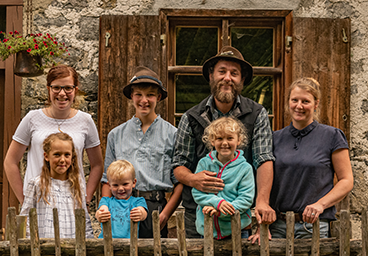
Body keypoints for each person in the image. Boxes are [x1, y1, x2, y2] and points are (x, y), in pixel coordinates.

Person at [172, 46, 276, 238]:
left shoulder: (257, 114)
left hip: (237, 215)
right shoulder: (191, 117)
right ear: (211, 76)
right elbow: (179, 164)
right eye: (222, 71)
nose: (227, 78)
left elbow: (263, 159)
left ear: (241, 80)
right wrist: (193, 179)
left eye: (234, 73)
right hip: (199, 216)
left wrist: (262, 201)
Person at [249, 77, 354, 243]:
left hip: (313, 226)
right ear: (288, 102)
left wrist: (320, 204)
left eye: (305, 101)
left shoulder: (332, 136)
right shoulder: (274, 138)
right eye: (294, 100)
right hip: (276, 226)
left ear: (316, 104)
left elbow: (347, 181)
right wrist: (263, 225)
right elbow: (262, 179)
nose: (299, 106)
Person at [4, 65, 103, 207]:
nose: (62, 93)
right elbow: (10, 161)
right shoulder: (32, 118)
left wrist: (86, 197)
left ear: (75, 90)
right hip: (38, 200)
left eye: (68, 88)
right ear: (48, 89)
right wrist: (24, 198)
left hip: (72, 202)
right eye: (56, 87)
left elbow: (98, 164)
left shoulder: (85, 121)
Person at [101, 66, 183, 238]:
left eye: (150, 95)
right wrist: (106, 207)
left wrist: (165, 214)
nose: (144, 100)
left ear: (158, 97)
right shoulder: (116, 135)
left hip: (154, 206)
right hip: (120, 208)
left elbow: (179, 182)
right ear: (131, 96)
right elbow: (106, 180)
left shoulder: (172, 134)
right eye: (138, 94)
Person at [19, 133, 94, 238]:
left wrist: (89, 241)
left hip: (72, 247)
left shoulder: (77, 185)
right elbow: (26, 218)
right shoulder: (37, 184)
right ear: (46, 156)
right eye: (57, 154)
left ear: (72, 157)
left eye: (67, 155)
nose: (62, 160)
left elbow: (84, 218)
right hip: (44, 247)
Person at [192, 117, 255, 239]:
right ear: (212, 141)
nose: (225, 143)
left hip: (237, 229)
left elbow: (246, 198)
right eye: (219, 138)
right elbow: (197, 192)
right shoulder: (204, 164)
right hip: (207, 229)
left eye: (230, 138)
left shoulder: (245, 168)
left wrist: (221, 211)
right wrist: (217, 203)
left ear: (238, 140)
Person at [96, 160, 148, 238]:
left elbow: (143, 212)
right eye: (115, 185)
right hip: (106, 243)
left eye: (125, 184)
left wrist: (140, 213)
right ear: (109, 185)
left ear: (133, 183)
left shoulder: (138, 201)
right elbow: (101, 210)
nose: (120, 188)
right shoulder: (106, 201)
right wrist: (100, 214)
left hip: (129, 244)